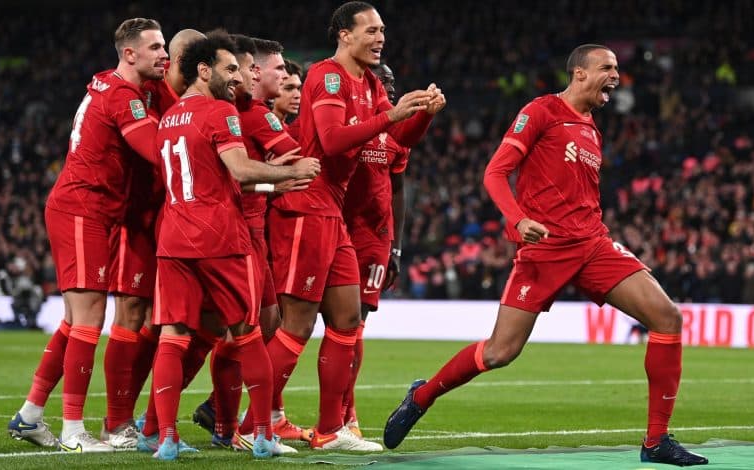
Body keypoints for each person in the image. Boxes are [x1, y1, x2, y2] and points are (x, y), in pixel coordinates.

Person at [383, 44, 708, 467]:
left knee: (667, 317)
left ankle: (656, 441)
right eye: (607, 68)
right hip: (544, 250)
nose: (616, 76)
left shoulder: (592, 130)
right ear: (579, 73)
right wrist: (518, 220)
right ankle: (422, 396)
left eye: (617, 69)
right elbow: (495, 173)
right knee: (499, 352)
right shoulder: (541, 111)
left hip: (592, 244)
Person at [267, 1, 444, 451]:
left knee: (347, 321)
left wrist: (422, 114)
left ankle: (331, 430)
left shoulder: (369, 82)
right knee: (296, 326)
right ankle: (252, 422)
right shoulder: (327, 76)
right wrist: (391, 115)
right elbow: (330, 141)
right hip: (308, 206)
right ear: (345, 34)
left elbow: (397, 139)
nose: (380, 37)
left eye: (382, 30)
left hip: (334, 213)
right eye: (371, 30)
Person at [149, 31, 320, 461]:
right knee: (248, 334)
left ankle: (164, 438)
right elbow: (240, 170)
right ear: (203, 70)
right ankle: (263, 435)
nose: (237, 77)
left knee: (173, 336)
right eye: (229, 69)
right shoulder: (220, 111)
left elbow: (215, 178)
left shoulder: (169, 117)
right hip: (220, 238)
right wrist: (291, 171)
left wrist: (271, 186)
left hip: (173, 238)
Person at [8, 17, 168, 453]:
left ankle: (30, 415)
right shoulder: (122, 95)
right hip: (84, 208)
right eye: (155, 47)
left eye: (165, 47)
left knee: (73, 321)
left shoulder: (116, 86)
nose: (164, 55)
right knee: (88, 320)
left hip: (93, 211)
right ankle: (73, 431)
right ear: (129, 53)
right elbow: (156, 151)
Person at [195, 34, 311, 450]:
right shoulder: (252, 115)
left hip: (247, 230)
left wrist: (270, 182)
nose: (284, 76)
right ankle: (233, 423)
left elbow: (247, 176)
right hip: (238, 234)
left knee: (253, 327)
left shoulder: (246, 112)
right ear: (255, 71)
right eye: (279, 69)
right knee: (240, 332)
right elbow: (296, 160)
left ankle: (220, 417)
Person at [100, 28, 205, 450]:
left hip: (172, 221)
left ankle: (144, 424)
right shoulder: (150, 93)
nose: (162, 59)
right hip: (138, 219)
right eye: (160, 51)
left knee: (159, 324)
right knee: (130, 314)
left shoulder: (188, 100)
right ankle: (115, 422)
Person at [341, 62, 410, 438]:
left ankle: (347, 415)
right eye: (384, 81)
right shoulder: (345, 126)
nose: (391, 87)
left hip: (374, 239)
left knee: (356, 325)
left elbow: (398, 190)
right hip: (334, 230)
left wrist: (395, 249)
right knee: (295, 324)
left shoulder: (397, 135)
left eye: (392, 81)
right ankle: (264, 411)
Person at [272, 59, 303, 126]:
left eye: (298, 89)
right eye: (289, 88)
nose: (298, 95)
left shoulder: (287, 128)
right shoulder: (257, 124)